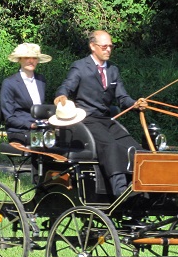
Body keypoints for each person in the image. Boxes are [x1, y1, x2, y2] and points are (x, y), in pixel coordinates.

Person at [54, 30, 147, 196]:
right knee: (111, 145)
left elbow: (122, 97)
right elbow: (66, 86)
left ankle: (141, 188)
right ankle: (119, 191)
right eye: (104, 46)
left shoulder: (113, 70)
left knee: (135, 148)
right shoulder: (80, 67)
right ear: (92, 46)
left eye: (110, 46)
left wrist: (135, 104)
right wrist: (61, 95)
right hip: (86, 120)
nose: (108, 50)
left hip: (106, 120)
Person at [0, 43, 52, 145]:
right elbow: (9, 117)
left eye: (34, 58)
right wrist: (30, 125)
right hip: (19, 131)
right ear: (20, 59)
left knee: (64, 139)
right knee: (46, 142)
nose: (31, 61)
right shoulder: (10, 83)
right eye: (27, 57)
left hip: (40, 129)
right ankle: (38, 160)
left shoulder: (41, 80)